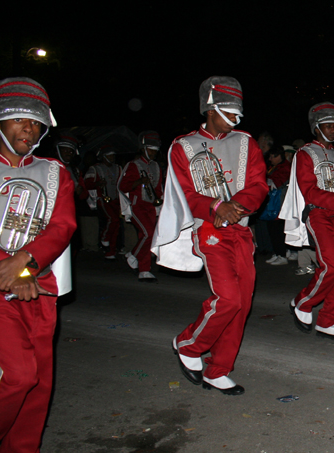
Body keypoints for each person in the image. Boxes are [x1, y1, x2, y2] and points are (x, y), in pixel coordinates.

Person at [153, 76, 268, 395]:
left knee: (242, 303)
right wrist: (217, 206)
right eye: (228, 111)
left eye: (238, 113)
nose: (235, 119)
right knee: (228, 298)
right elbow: (182, 194)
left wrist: (238, 206)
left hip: (241, 230)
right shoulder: (182, 146)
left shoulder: (247, 142)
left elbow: (259, 185)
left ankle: (218, 369)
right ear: (209, 109)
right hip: (209, 230)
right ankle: (188, 344)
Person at [0, 77, 76, 451]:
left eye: (35, 122)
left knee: (39, 384)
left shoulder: (54, 171)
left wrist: (24, 266)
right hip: (0, 291)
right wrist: (9, 272)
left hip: (38, 287)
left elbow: (62, 226)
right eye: (19, 119)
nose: (28, 129)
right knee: (17, 375)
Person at [281, 102, 334, 339]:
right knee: (332, 266)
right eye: (328, 125)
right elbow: (309, 190)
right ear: (316, 127)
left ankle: (328, 321)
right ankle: (302, 301)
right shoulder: (305, 153)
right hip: (318, 213)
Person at [119, 131, 163, 282]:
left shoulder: (156, 166)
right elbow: (121, 185)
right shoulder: (133, 165)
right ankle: (133, 255)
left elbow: (158, 188)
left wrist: (160, 199)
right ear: (143, 149)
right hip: (137, 204)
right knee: (147, 233)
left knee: (148, 237)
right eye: (150, 149)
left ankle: (144, 270)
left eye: (155, 150)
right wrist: (138, 182)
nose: (153, 153)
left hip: (150, 206)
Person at [84, 145, 122, 260]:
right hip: (102, 198)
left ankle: (111, 251)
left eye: (113, 156)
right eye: (109, 156)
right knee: (112, 219)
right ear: (103, 157)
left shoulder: (118, 168)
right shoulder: (95, 168)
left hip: (116, 199)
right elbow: (86, 183)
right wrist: (97, 184)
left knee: (117, 224)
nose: (112, 158)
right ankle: (104, 238)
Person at [263, 144, 291, 266]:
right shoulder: (274, 167)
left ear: (279, 156)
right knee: (272, 229)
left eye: (272, 156)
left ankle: (282, 254)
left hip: (280, 204)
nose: (270, 159)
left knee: (278, 230)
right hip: (273, 203)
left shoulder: (285, 168)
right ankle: (278, 253)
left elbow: (278, 182)